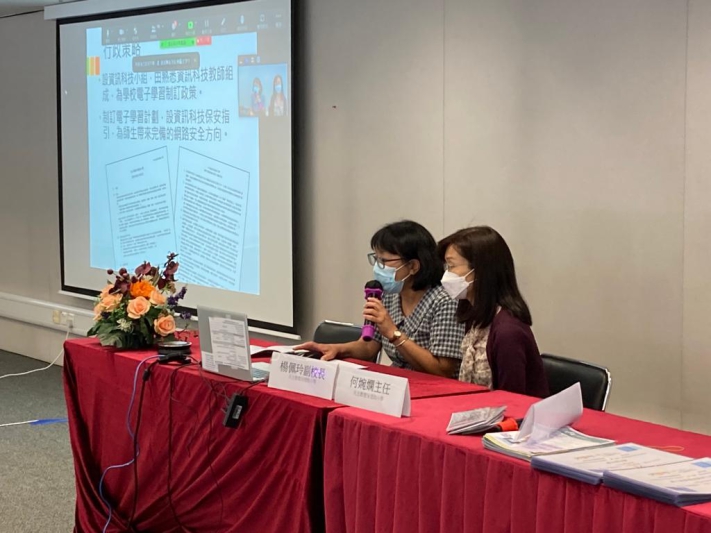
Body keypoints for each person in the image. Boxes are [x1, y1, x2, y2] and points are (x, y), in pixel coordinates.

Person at [297, 220, 465, 377]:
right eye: (376, 259)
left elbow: (443, 370)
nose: (378, 266)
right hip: (397, 381)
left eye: (384, 260)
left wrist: (393, 332)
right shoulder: (388, 295)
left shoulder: (444, 301)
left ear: (413, 266)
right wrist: (336, 349)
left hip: (434, 389)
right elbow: (369, 347)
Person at [437, 226, 549, 396]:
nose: (447, 275)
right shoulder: (475, 314)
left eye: (452, 266)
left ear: (480, 270)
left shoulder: (508, 332)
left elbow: (512, 401)